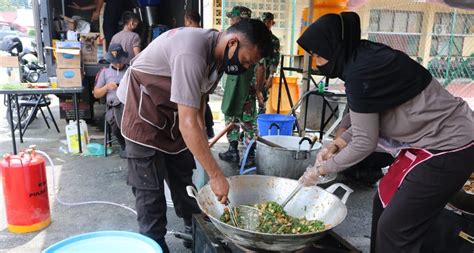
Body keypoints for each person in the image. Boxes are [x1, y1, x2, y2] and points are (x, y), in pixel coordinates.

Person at [297, 12, 473, 253]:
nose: (316, 62)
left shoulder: (361, 72)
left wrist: (319, 171)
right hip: (425, 142)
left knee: (394, 228)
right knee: (384, 199)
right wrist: (337, 143)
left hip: (449, 145)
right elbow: (370, 118)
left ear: (334, 46)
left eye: (317, 54)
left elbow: (364, 142)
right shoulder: (361, 58)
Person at [116, 19, 272, 252]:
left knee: (182, 172)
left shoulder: (219, 57)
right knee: (150, 189)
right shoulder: (191, 52)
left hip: (172, 114)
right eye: (246, 61)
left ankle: (197, 229)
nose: (246, 68)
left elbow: (197, 110)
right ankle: (154, 243)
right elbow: (188, 123)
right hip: (141, 110)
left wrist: (203, 154)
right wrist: (216, 174)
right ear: (233, 43)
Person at [219, 6, 265, 167]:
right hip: (235, 87)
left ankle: (249, 155)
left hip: (246, 89)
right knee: (233, 117)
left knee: (246, 121)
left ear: (239, 19)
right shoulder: (236, 37)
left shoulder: (249, 39)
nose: (230, 20)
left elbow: (260, 67)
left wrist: (258, 89)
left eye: (233, 18)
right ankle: (235, 151)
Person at [336, 113, 394, 186]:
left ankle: (367, 176)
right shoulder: (352, 114)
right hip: (362, 149)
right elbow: (341, 133)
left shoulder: (383, 114)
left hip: (384, 153)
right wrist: (336, 147)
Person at [183, 10, 215, 138]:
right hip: (204, 77)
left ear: (188, 21)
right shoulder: (207, 35)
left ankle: (196, 137)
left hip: (192, 76)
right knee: (202, 106)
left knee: (190, 109)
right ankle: (207, 132)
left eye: (185, 22)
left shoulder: (187, 35)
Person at [93, 44, 128, 158]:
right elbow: (96, 94)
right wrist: (107, 87)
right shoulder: (104, 72)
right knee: (114, 120)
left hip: (128, 104)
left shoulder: (129, 70)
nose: (118, 64)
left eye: (120, 61)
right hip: (113, 105)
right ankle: (124, 145)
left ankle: (133, 145)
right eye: (115, 62)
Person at [258, 12, 281, 114]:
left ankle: (259, 126)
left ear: (272, 23)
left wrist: (271, 77)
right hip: (251, 75)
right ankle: (249, 127)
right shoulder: (254, 38)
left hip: (265, 75)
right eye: (264, 22)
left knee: (262, 101)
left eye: (269, 22)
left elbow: (275, 59)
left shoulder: (274, 40)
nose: (266, 24)